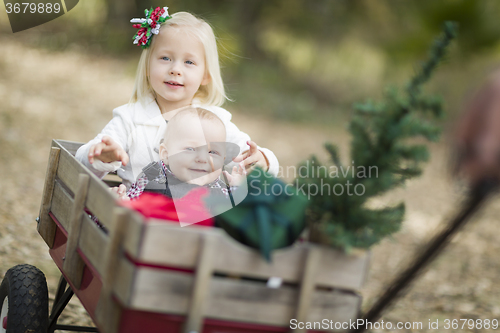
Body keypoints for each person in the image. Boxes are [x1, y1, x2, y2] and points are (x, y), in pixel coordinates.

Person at [75, 7, 279, 188]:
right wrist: (102, 155)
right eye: (165, 58)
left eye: (189, 62)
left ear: (206, 75)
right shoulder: (130, 118)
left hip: (194, 221)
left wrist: (264, 160)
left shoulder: (215, 121)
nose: (175, 69)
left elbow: (245, 157)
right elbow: (83, 161)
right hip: (139, 219)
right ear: (147, 66)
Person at [113, 107, 246, 200]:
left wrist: (237, 190)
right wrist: (121, 201)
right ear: (165, 154)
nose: (202, 159)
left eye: (212, 152)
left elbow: (234, 224)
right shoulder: (153, 178)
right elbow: (130, 212)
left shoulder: (219, 190)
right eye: (190, 149)